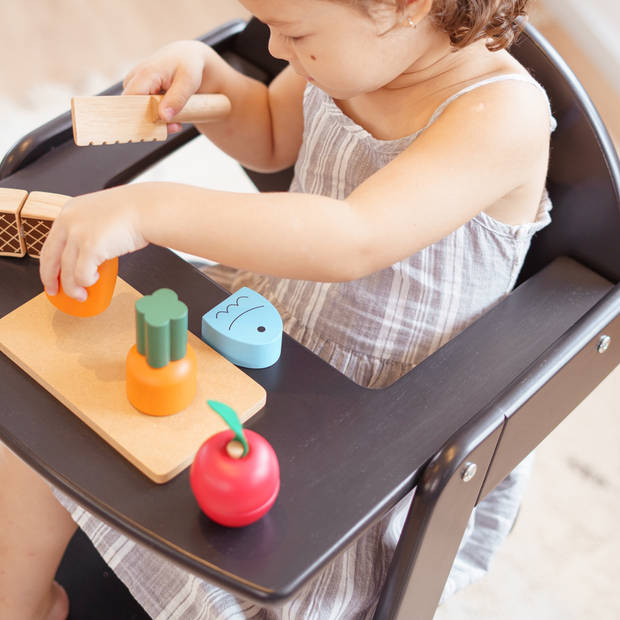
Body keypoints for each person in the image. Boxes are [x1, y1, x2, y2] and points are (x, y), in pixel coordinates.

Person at [1, 0, 555, 618]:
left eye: (293, 31)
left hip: (372, 408)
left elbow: (354, 236)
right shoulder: (353, 54)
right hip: (264, 315)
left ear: (405, 7)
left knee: (232, 550)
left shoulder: (503, 115)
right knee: (49, 411)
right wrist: (211, 79)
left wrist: (147, 209)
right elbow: (268, 132)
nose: (274, 50)